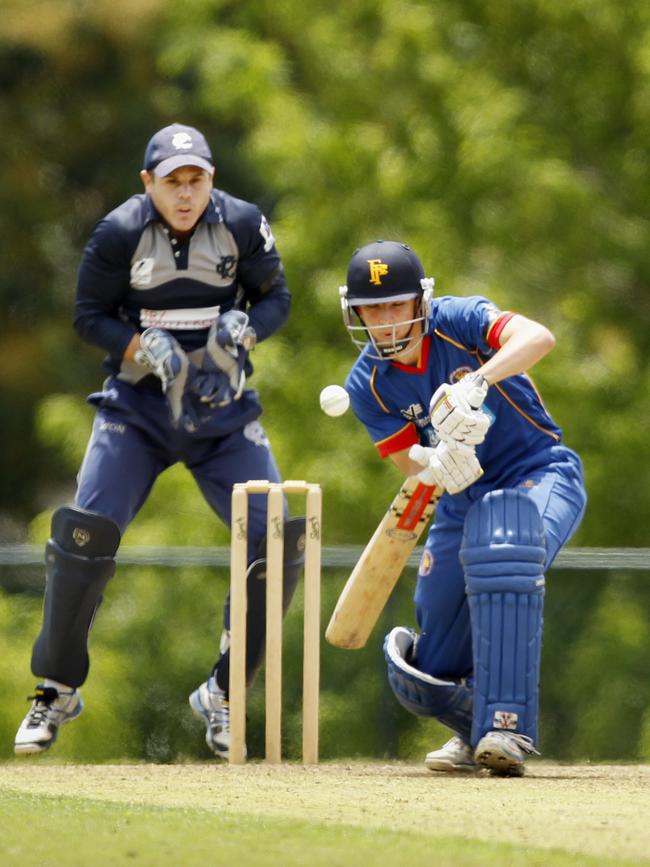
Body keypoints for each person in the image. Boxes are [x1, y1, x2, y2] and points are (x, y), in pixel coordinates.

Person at [14, 123, 305, 760]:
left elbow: (276, 297)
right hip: (137, 411)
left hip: (221, 412)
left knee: (281, 534)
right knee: (83, 533)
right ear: (148, 183)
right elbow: (88, 315)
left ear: (211, 180)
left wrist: (246, 330)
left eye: (196, 180)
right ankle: (56, 689)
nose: (185, 193)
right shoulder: (119, 232)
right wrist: (141, 346)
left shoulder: (243, 225)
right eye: (172, 182)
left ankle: (225, 694)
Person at [340, 240, 586, 776]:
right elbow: (407, 462)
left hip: (539, 472)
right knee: (429, 670)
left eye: (395, 305)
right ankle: (471, 728)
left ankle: (506, 725)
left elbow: (536, 336)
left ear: (419, 303)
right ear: (355, 312)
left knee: (506, 551)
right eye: (372, 308)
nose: (385, 320)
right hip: (460, 497)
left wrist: (477, 382)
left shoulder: (458, 319)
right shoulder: (368, 384)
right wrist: (436, 458)